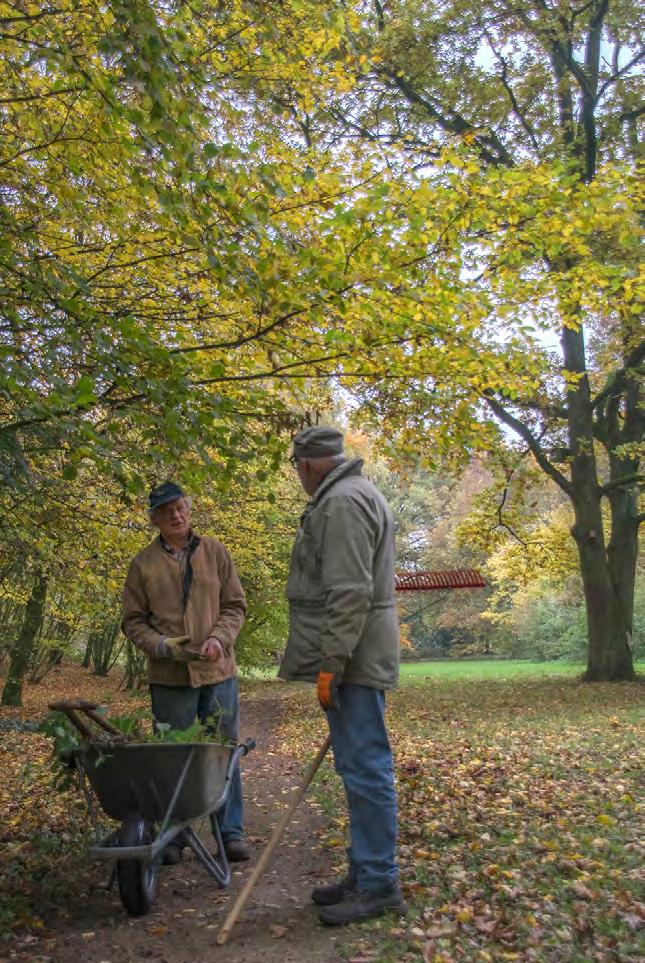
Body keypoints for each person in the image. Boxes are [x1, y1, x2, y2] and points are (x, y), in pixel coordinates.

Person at [279, 426, 406, 926]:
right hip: (356, 657)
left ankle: (378, 883)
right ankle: (365, 870)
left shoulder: (342, 504)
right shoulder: (351, 494)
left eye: (296, 468)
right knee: (358, 768)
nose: (298, 477)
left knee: (367, 769)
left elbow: (350, 592)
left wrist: (331, 664)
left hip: (353, 661)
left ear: (308, 464)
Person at [122, 481, 249, 863]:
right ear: (155, 520)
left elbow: (236, 606)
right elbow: (132, 622)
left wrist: (219, 639)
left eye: (180, 508)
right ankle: (175, 837)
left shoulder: (215, 552)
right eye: (166, 512)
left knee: (222, 753)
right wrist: (160, 646)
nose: (175, 515)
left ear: (188, 509)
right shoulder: (142, 564)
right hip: (169, 678)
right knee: (173, 757)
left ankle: (230, 834)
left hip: (218, 672)